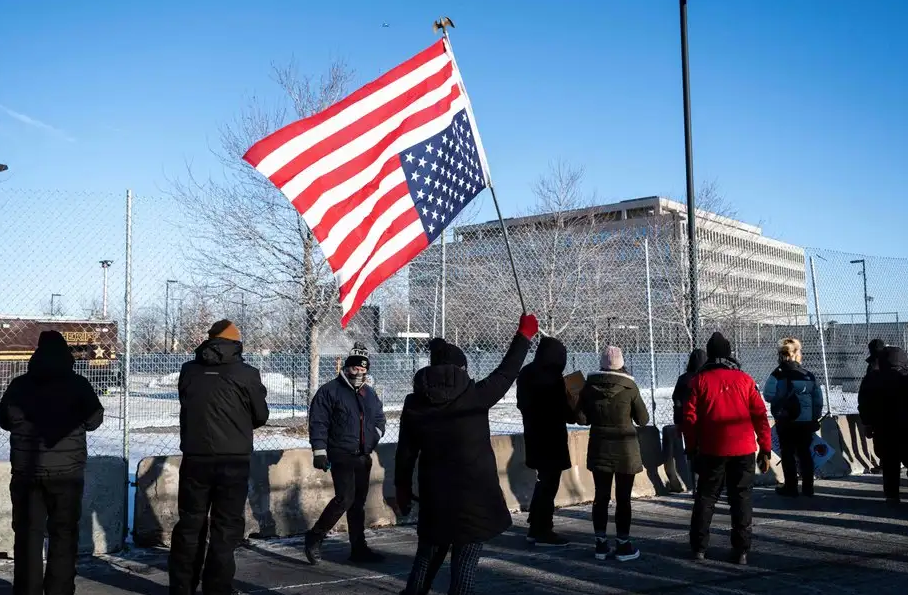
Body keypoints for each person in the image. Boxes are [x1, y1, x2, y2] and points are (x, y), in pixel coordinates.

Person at [395, 314, 538, 595]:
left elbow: (405, 451)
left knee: (426, 556)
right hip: (474, 496)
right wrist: (523, 337)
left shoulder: (414, 403)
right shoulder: (474, 395)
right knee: (465, 563)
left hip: (435, 495)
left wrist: (401, 487)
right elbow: (506, 372)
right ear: (461, 368)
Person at [168, 320, 269, 595]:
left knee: (190, 524)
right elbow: (261, 416)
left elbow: (187, 403)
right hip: (233, 459)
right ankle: (218, 588)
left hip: (195, 457)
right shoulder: (247, 373)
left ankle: (181, 588)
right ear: (237, 344)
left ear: (209, 340)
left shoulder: (189, 370)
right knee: (225, 528)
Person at [0, 330, 104, 595]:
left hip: (26, 472)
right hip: (67, 473)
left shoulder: (19, 385)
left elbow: (4, 420)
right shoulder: (78, 384)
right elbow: (94, 420)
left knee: (28, 535)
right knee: (63, 534)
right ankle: (59, 590)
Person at [683, 332, 772, 566]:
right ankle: (741, 550)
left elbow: (689, 418)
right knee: (741, 498)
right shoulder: (744, 379)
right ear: (730, 353)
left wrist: (691, 447)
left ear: (709, 355)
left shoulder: (699, 380)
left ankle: (699, 547)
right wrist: (765, 447)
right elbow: (760, 415)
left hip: (712, 449)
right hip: (743, 449)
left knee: (706, 497)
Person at [305, 342, 387, 565]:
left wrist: (373, 437)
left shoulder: (369, 393)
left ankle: (358, 548)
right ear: (347, 368)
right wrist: (319, 451)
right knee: (344, 498)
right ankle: (315, 536)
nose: (359, 372)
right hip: (340, 453)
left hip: (363, 455)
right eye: (355, 368)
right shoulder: (330, 391)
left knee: (357, 503)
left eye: (363, 369)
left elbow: (380, 419)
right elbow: (318, 423)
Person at [578, 346, 649, 562]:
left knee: (601, 496)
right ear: (621, 363)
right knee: (623, 498)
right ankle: (623, 544)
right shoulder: (630, 387)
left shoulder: (588, 388)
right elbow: (643, 419)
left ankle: (600, 544)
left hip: (600, 447)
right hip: (625, 450)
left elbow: (582, 419)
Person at [516, 335, 574, 547]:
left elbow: (523, 405)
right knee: (549, 484)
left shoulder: (526, 373)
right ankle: (542, 528)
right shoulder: (553, 378)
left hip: (534, 435)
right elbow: (566, 412)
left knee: (544, 482)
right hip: (552, 438)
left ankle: (537, 524)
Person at [762, 338, 824, 497]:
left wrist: (781, 399)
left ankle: (791, 487)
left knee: (787, 453)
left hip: (786, 420)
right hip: (805, 422)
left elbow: (768, 395)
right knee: (804, 452)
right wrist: (814, 417)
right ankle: (808, 487)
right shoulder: (808, 375)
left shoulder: (777, 374)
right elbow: (817, 399)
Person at [858, 345, 908, 504]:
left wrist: (867, 424)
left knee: (889, 464)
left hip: (883, 429)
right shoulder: (906, 377)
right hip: (906, 428)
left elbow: (864, 403)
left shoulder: (872, 378)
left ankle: (892, 496)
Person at [671, 348, 707, 492]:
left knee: (692, 453)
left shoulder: (684, 378)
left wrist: (679, 421)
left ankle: (696, 486)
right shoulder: (707, 377)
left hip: (688, 421)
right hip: (707, 421)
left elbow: (677, 401)